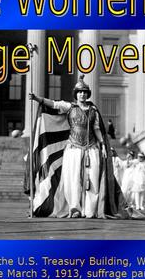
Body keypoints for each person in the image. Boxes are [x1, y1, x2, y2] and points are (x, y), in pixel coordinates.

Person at [29, 76, 108, 218]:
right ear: (76, 94)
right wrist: (37, 98)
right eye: (79, 92)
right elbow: (54, 104)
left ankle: (90, 210)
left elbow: (97, 129)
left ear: (87, 94)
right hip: (74, 149)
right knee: (73, 179)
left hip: (92, 149)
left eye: (84, 92)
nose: (82, 94)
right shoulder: (70, 107)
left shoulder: (93, 111)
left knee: (92, 179)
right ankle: (74, 208)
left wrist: (102, 145)